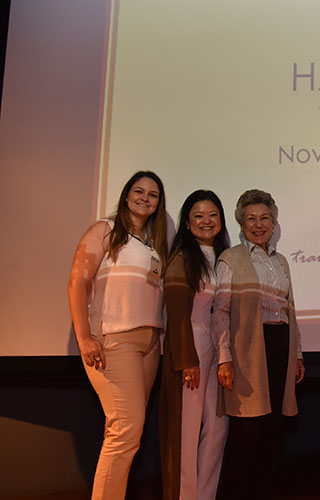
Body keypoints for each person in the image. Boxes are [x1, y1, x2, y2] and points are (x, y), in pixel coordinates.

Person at [67, 171, 168, 500]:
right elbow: (78, 282)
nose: (145, 198)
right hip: (114, 340)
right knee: (124, 432)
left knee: (130, 435)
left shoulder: (153, 244)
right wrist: (84, 338)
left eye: (153, 194)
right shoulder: (105, 230)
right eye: (139, 191)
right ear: (126, 195)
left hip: (150, 345)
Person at [213, 189, 305, 500]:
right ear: (241, 223)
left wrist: (297, 355)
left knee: (273, 434)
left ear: (273, 223)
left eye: (265, 218)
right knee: (246, 435)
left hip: (280, 348)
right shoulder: (230, 259)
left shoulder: (281, 262)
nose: (259, 224)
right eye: (251, 218)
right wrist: (224, 357)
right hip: (247, 352)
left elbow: (289, 310)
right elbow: (220, 312)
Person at [160, 190, 231, 500]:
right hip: (191, 343)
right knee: (186, 430)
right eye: (198, 215)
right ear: (187, 223)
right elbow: (177, 313)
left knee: (218, 428)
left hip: (219, 346)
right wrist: (187, 359)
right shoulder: (182, 258)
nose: (206, 221)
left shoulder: (225, 257)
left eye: (213, 214)